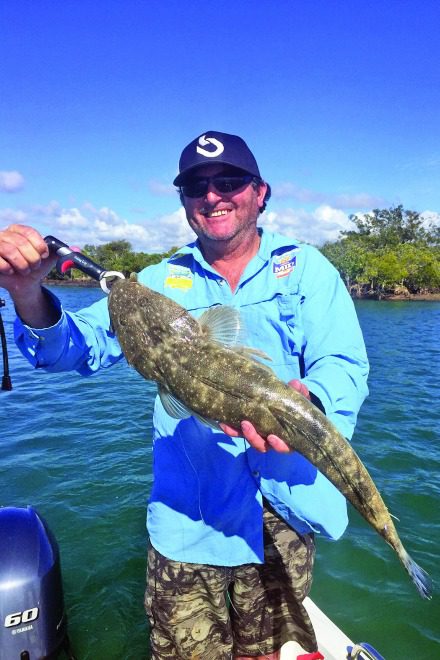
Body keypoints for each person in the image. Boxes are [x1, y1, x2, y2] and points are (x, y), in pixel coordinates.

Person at [0, 131, 369, 660]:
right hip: (188, 523)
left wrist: (312, 402)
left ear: (260, 192)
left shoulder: (308, 269)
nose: (213, 194)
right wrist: (26, 291)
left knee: (274, 653)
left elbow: (345, 364)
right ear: (184, 202)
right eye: (197, 185)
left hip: (287, 512)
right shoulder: (155, 281)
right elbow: (77, 349)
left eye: (229, 181)